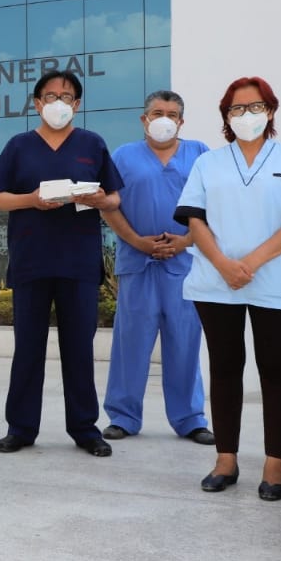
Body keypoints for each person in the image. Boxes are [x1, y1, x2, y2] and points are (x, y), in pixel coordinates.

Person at [174, 76, 281, 501]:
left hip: (274, 283)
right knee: (224, 369)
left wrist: (250, 264)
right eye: (236, 109)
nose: (245, 115)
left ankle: (275, 465)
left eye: (254, 106)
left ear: (271, 111)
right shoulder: (209, 163)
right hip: (215, 282)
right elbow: (194, 218)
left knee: (275, 370)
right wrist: (224, 265)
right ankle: (226, 459)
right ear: (226, 116)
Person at [0, 70, 123, 458]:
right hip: (32, 261)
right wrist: (30, 200)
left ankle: (84, 428)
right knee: (27, 348)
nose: (58, 103)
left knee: (79, 349)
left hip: (79, 263)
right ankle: (21, 427)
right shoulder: (19, 146)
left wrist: (98, 200)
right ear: (36, 103)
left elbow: (114, 199)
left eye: (66, 97)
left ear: (77, 104)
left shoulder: (92, 144)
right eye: (50, 96)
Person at [100, 91, 214, 445]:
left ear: (182, 121)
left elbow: (213, 206)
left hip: (185, 264)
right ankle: (123, 416)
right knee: (130, 342)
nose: (165, 118)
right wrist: (137, 241)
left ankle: (190, 418)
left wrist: (185, 241)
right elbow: (108, 206)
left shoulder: (199, 154)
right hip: (138, 264)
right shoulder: (122, 157)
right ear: (144, 119)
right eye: (158, 112)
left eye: (173, 113)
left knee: (185, 342)